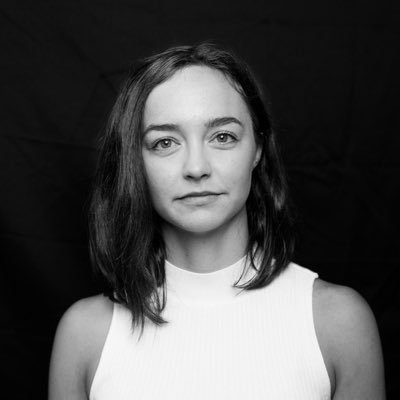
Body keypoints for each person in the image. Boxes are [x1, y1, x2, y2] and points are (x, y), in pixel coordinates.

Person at [48, 42, 385, 400]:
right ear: (134, 159)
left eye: (223, 137)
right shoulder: (85, 336)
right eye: (164, 142)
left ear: (257, 148)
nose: (196, 168)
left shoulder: (338, 324)